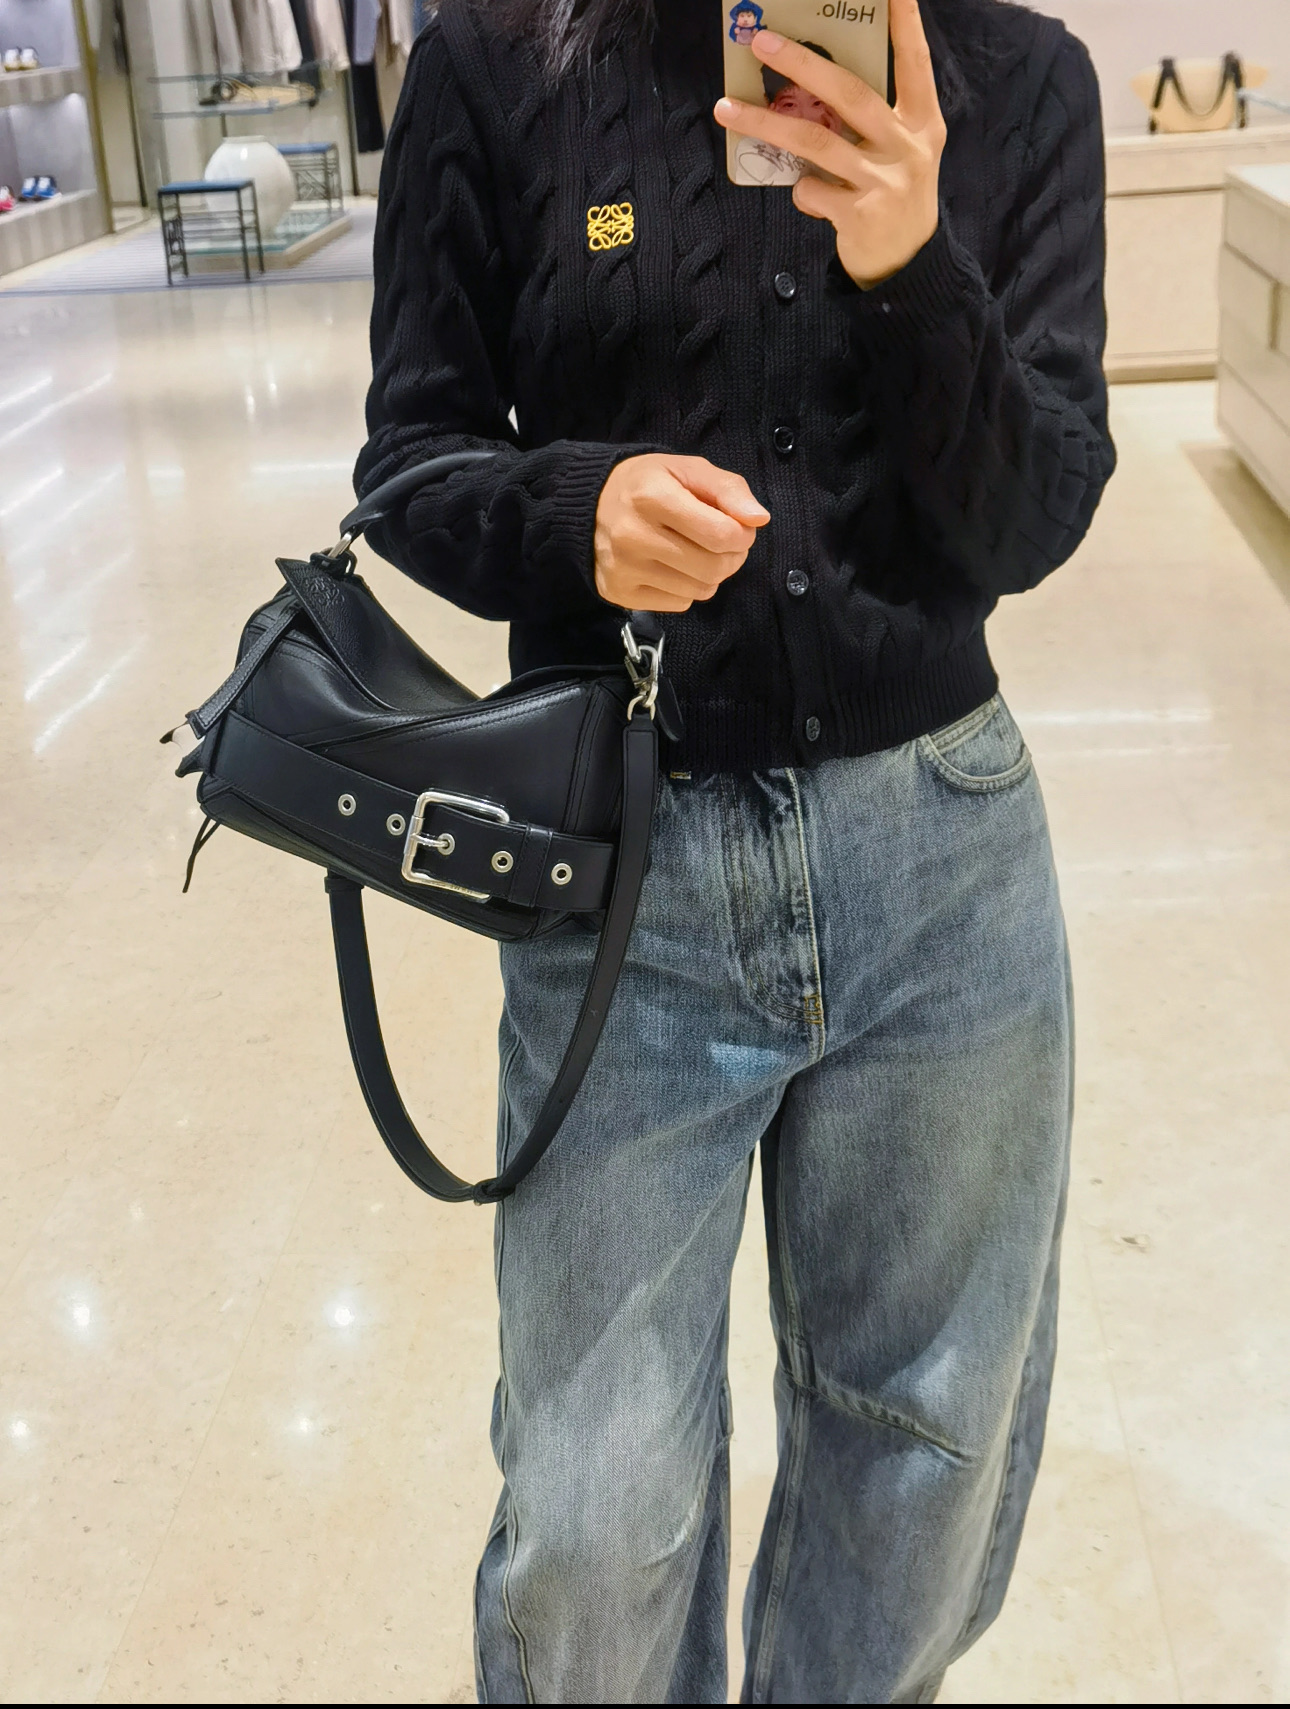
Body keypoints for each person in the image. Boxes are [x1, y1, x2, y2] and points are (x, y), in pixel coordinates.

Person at [356, 0, 1115, 1699]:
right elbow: (409, 462)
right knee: (592, 1513)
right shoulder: (498, 60)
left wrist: (912, 264)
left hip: (942, 871)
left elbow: (1039, 510)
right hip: (628, 881)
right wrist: (574, 514)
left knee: (922, 1454)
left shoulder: (1019, 80)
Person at [733, 40, 845, 186]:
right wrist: (782, 144)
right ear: (771, 108)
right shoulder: (750, 149)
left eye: (817, 103)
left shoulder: (853, 144)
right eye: (790, 105)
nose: (805, 117)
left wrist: (833, 149)